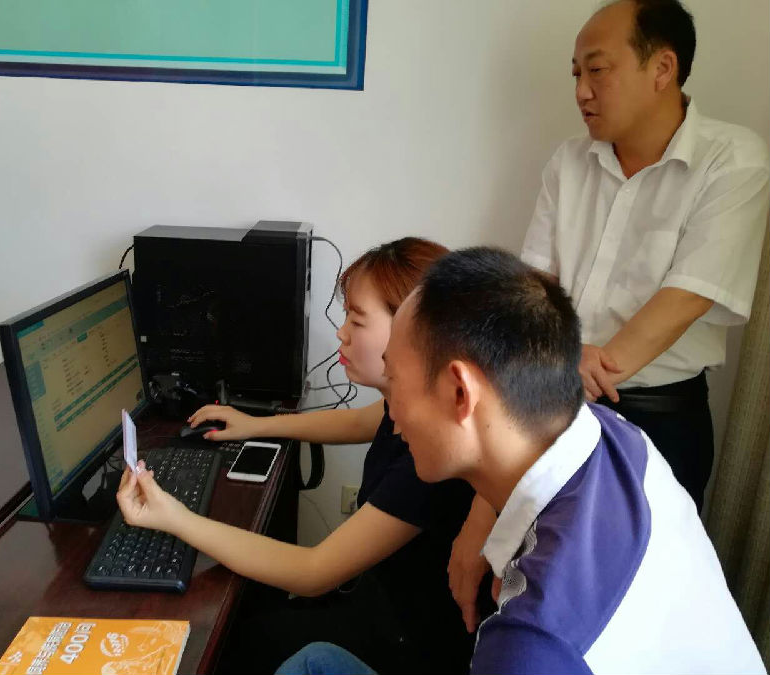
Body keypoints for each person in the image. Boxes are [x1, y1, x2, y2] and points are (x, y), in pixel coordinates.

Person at [281, 247, 765, 674]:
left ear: (459, 392)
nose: (391, 407)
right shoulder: (617, 437)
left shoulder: (531, 647)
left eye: (395, 377)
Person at [117, 237, 490, 674]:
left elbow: (314, 572)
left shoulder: (431, 458)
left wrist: (175, 518)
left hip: (404, 645)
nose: (341, 333)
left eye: (357, 319)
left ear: (413, 330)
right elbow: (361, 421)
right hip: (379, 601)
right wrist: (257, 424)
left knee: (227, 643)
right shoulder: (410, 407)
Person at [519, 0, 770, 512]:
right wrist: (564, 360)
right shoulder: (569, 162)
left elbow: (688, 296)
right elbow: (534, 285)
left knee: (645, 559)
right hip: (552, 397)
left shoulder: (732, 159)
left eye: (596, 70)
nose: (581, 91)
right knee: (529, 550)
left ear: (662, 68)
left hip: (660, 419)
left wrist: (587, 370)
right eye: (576, 74)